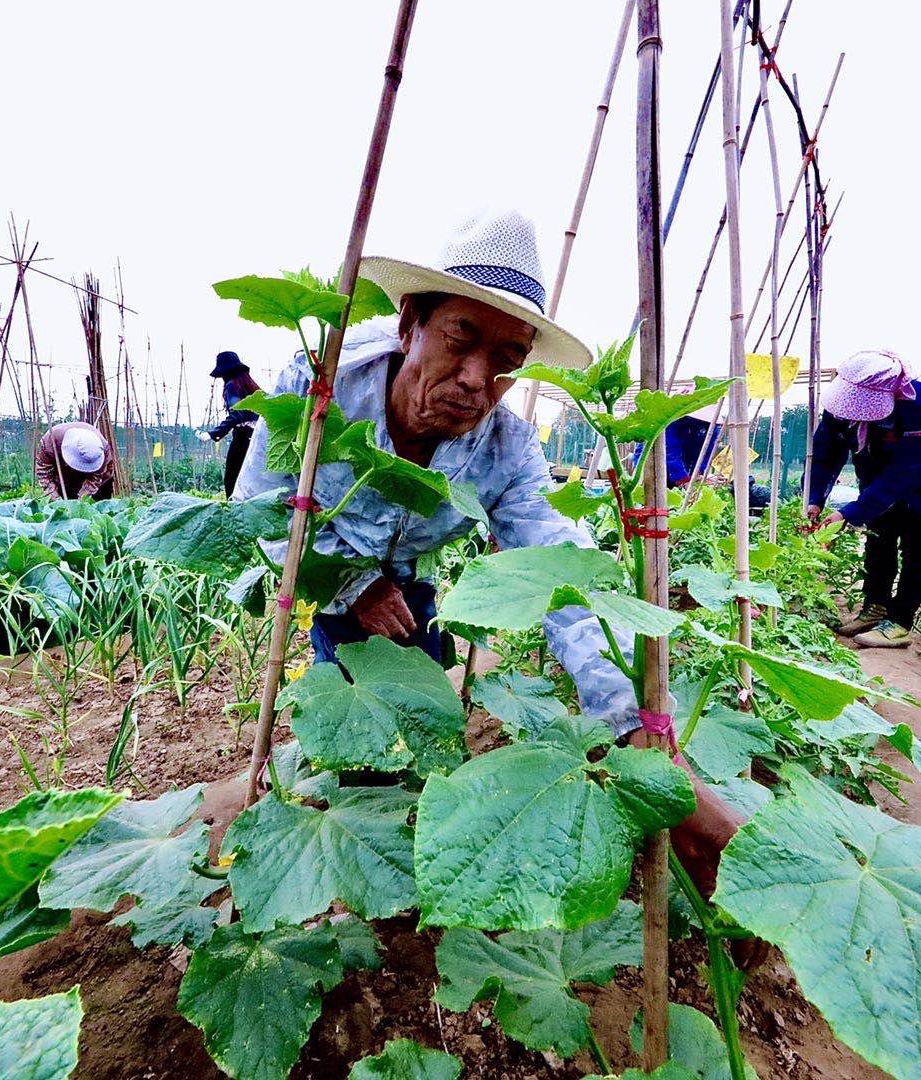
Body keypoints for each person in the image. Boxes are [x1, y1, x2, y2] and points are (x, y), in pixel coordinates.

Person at [234, 208, 748, 907]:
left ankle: (403, 801)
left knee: (417, 684)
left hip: (412, 578)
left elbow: (563, 576)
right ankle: (347, 813)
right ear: (412, 319)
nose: (478, 379)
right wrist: (351, 584)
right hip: (324, 565)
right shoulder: (322, 385)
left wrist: (638, 725)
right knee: (347, 693)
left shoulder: (507, 448)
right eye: (460, 339)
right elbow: (258, 507)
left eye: (506, 362)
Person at [806, 348, 921, 647]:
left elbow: (905, 472)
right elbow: (825, 453)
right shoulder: (841, 405)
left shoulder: (919, 406)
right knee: (879, 534)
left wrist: (848, 514)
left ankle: (901, 620)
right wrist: (815, 498)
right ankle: (875, 606)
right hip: (884, 465)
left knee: (919, 541)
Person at [207, 351, 262, 497]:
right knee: (253, 479)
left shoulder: (232, 385)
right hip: (258, 436)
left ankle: (235, 513)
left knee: (232, 480)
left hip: (243, 437)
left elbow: (237, 414)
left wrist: (214, 433)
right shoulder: (251, 386)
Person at [34, 420, 114, 500]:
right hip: (63, 476)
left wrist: (81, 501)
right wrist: (56, 500)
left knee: (98, 504)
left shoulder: (103, 451)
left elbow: (96, 478)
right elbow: (44, 474)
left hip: (98, 481)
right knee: (64, 501)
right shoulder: (51, 440)